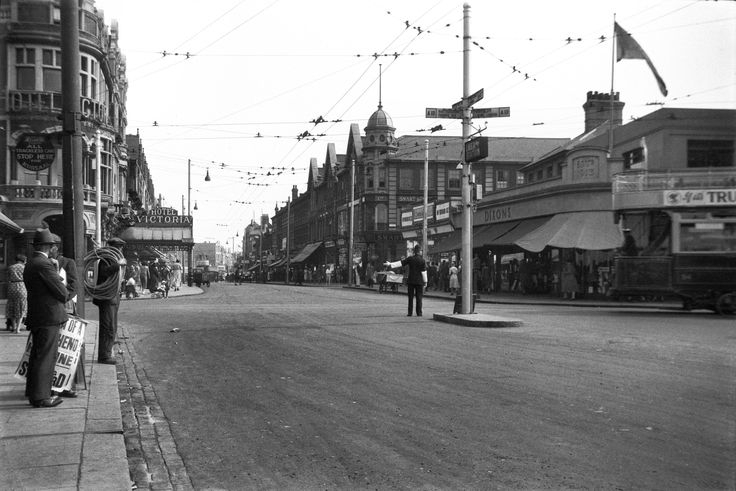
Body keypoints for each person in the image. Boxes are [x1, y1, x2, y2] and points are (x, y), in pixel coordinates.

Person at [23, 228, 73, 408]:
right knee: (46, 357)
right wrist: (56, 269)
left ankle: (34, 392)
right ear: (48, 247)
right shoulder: (44, 264)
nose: (54, 250)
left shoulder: (31, 262)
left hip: (38, 315)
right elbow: (63, 293)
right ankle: (42, 397)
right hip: (48, 316)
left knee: (37, 355)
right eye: (53, 246)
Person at [49, 233, 82, 398]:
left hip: (66, 308)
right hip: (49, 311)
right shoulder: (43, 263)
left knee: (67, 349)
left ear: (56, 247)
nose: (49, 250)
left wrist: (63, 298)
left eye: (51, 246)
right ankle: (48, 385)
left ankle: (66, 385)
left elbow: (74, 286)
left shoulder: (68, 263)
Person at [92, 237, 126, 365]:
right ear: (114, 247)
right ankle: (104, 356)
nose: (120, 250)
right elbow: (105, 272)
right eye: (119, 247)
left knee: (112, 325)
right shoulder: (107, 259)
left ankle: (107, 349)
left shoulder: (113, 259)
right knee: (108, 326)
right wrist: (118, 265)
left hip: (113, 296)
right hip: (107, 297)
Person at [385, 244, 427, 317]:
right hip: (419, 281)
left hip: (411, 280)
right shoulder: (422, 260)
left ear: (414, 251)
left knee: (410, 297)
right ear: (419, 251)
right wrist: (425, 281)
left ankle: (410, 312)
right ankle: (419, 313)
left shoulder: (410, 259)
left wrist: (390, 264)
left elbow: (401, 263)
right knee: (419, 297)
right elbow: (423, 272)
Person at [6, 254, 28, 333]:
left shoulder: (11, 267)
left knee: (12, 306)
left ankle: (14, 326)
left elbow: (8, 278)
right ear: (23, 260)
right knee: (21, 306)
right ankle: (18, 329)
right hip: (22, 286)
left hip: (12, 286)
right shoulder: (24, 268)